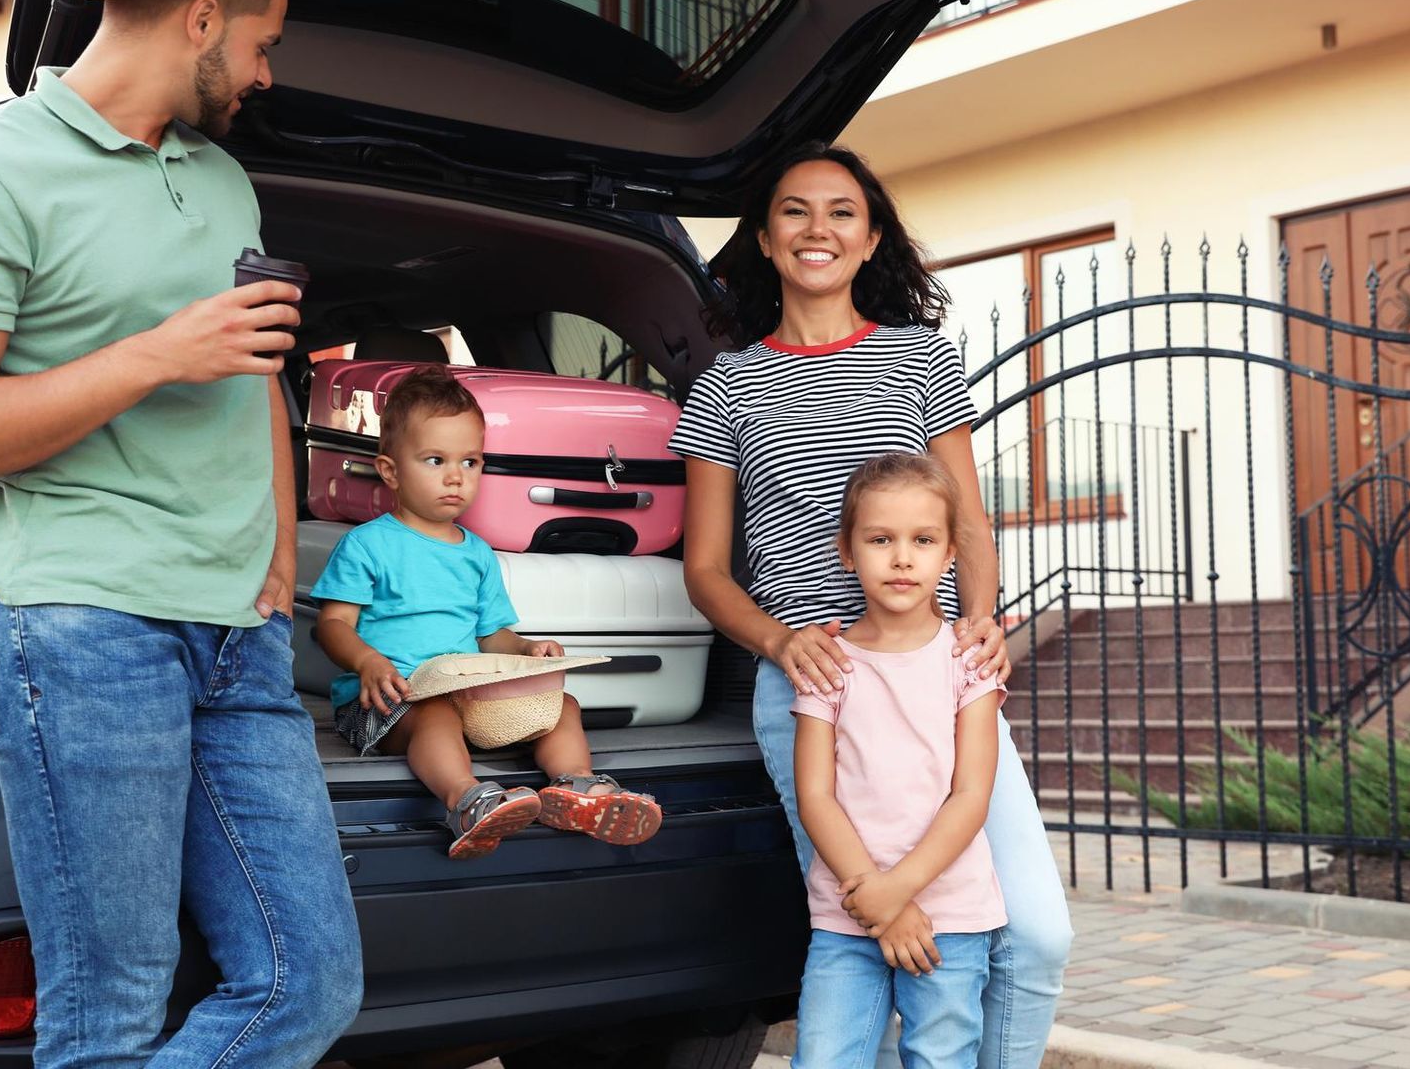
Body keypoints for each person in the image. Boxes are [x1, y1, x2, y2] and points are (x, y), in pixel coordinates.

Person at [0, 0, 361, 1068]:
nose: (263, 70)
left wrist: (276, 557)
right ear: (201, 14)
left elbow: (253, 367)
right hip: (82, 627)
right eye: (262, 42)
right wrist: (154, 355)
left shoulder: (222, 179)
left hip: (237, 637)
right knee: (107, 1015)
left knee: (309, 982)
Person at [672, 142, 1072, 1069]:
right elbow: (705, 572)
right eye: (796, 211)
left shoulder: (920, 360)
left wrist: (983, 620)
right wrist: (780, 643)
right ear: (766, 241)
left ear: (871, 236)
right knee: (881, 931)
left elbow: (968, 519)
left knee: (1036, 937)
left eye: (842, 211)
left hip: (940, 677)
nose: (819, 228)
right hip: (816, 689)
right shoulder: (725, 386)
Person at [310, 365, 663, 857]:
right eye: (435, 460)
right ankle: (467, 801)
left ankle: (578, 790)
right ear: (390, 471)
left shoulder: (477, 552)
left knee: (561, 706)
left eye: (471, 462)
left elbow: (490, 634)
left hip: (467, 695)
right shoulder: (367, 546)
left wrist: (525, 649)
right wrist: (366, 662)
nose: (456, 476)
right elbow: (331, 626)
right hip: (388, 702)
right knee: (432, 713)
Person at [791, 453, 1006, 1069]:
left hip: (951, 916)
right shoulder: (828, 663)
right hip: (846, 915)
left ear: (949, 555)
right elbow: (817, 797)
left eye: (924, 540)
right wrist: (876, 899)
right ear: (848, 551)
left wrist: (900, 892)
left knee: (940, 1059)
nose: (903, 557)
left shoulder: (969, 662)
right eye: (881, 539)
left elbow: (970, 795)